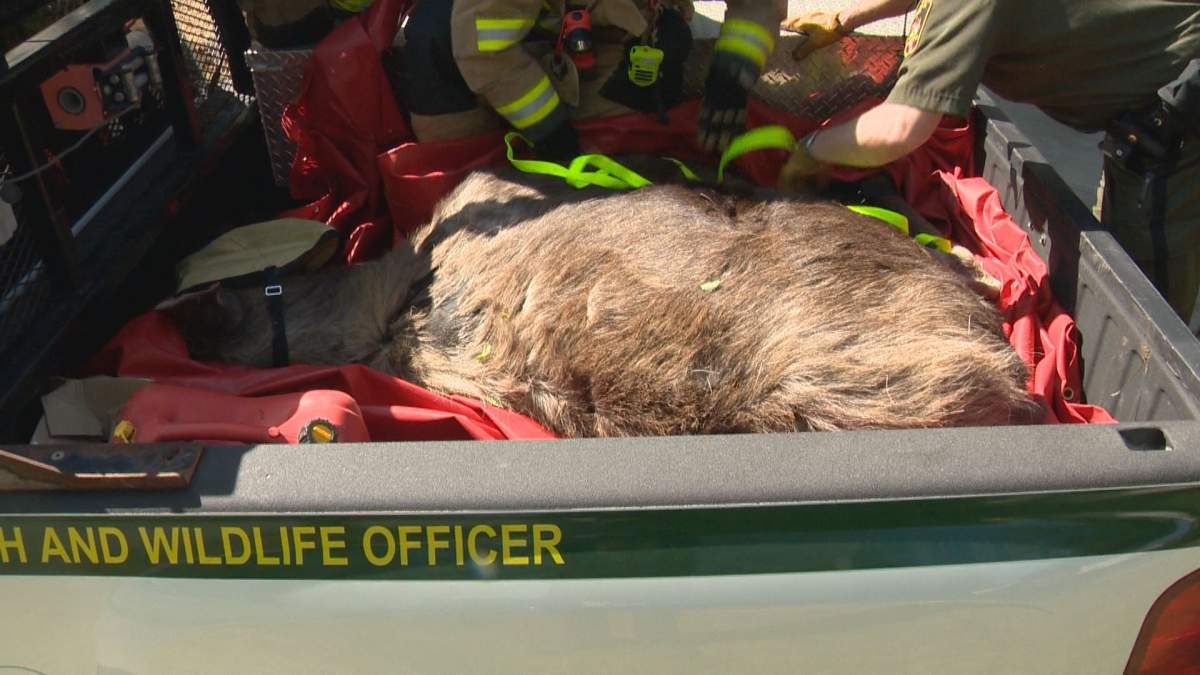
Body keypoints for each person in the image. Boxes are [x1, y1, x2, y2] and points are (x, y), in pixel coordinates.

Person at [778, 0, 1200, 322]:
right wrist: (845, 19)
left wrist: (809, 151)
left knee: (1145, 304)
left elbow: (901, 126)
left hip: (1177, 100)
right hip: (1155, 69)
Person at [397, 0, 785, 159]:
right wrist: (553, 134)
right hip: (462, 60)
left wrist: (734, 68)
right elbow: (485, 49)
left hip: (590, 35)